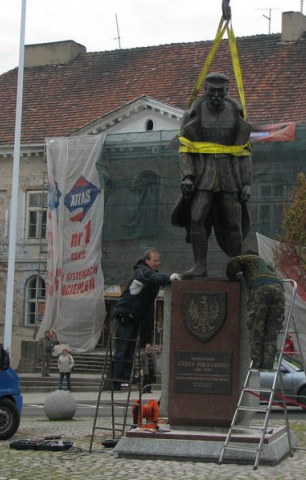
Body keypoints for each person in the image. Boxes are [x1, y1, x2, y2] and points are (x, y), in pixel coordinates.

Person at [171, 72, 252, 277]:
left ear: (227, 91)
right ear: (205, 89)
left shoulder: (236, 112)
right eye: (212, 91)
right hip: (203, 175)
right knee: (197, 217)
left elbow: (244, 150)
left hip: (229, 176)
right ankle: (200, 265)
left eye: (220, 91)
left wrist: (246, 183)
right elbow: (185, 149)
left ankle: (237, 266)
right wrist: (188, 176)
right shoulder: (192, 113)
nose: (215, 95)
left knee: (234, 222)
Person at [112, 249, 181, 390]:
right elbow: (154, 277)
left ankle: (124, 381)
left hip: (136, 318)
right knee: (122, 350)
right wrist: (169, 278)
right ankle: (116, 381)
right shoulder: (142, 271)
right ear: (147, 261)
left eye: (158, 261)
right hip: (125, 315)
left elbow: (150, 305)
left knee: (130, 351)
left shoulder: (153, 276)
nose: (157, 263)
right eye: (155, 260)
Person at [226, 250, 285, 370]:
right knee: (271, 332)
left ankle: (257, 366)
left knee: (256, 330)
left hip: (261, 289)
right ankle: (268, 366)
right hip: (279, 291)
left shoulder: (249, 258)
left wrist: (231, 277)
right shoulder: (266, 266)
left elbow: (233, 262)